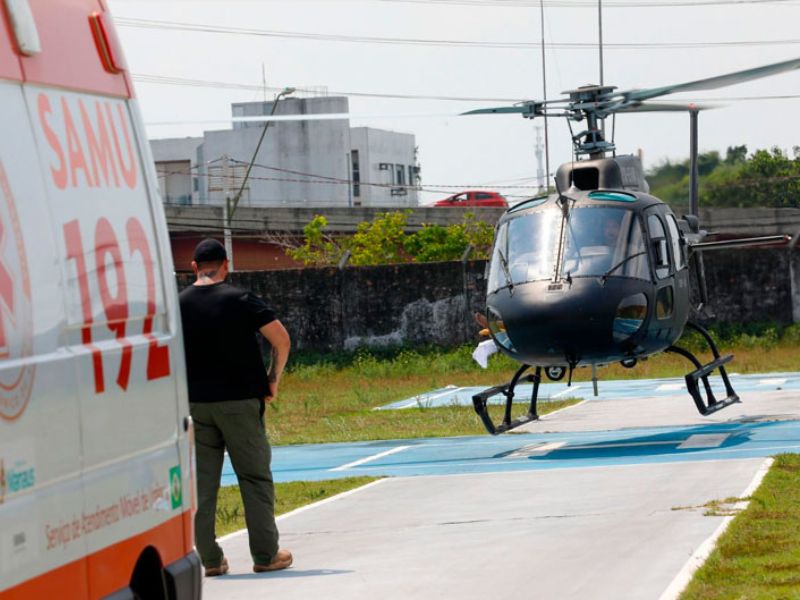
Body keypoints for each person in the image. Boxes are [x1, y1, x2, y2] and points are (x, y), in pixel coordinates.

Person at [179, 238, 292, 577]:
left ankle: (210, 559)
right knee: (254, 477)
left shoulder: (178, 304)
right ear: (226, 265)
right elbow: (281, 339)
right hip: (240, 403)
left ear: (194, 267)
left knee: (202, 484)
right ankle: (266, 554)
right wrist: (273, 379)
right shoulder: (241, 299)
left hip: (196, 405)